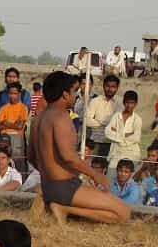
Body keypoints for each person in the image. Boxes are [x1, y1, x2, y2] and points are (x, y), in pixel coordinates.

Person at [28, 71, 132, 225]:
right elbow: (68, 156)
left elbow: (31, 157)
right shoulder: (61, 116)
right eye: (74, 91)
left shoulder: (37, 119)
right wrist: (96, 175)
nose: (75, 95)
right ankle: (65, 209)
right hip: (65, 187)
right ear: (65, 94)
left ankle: (58, 205)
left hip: (48, 185)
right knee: (124, 213)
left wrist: (50, 175)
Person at [84, 75, 122, 158]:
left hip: (112, 142)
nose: (110, 89)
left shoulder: (121, 102)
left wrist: (98, 121)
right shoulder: (95, 101)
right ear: (103, 86)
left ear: (117, 87)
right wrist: (105, 123)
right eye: (107, 86)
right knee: (94, 166)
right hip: (96, 140)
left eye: (113, 87)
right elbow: (86, 120)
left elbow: (118, 123)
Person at [0, 82, 29, 172]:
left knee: (17, 163)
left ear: (19, 94)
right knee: (2, 163)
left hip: (17, 138)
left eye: (15, 93)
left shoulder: (23, 108)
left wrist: (5, 123)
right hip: (4, 138)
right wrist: (14, 124)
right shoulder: (4, 108)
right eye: (10, 93)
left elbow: (20, 126)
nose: (12, 96)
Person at [105, 90, 142, 170]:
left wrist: (116, 133)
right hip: (116, 152)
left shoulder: (137, 119)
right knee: (111, 174)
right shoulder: (116, 116)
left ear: (135, 104)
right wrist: (125, 135)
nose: (129, 105)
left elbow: (136, 138)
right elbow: (107, 132)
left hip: (132, 153)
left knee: (129, 176)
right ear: (124, 103)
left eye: (132, 103)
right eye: (127, 103)